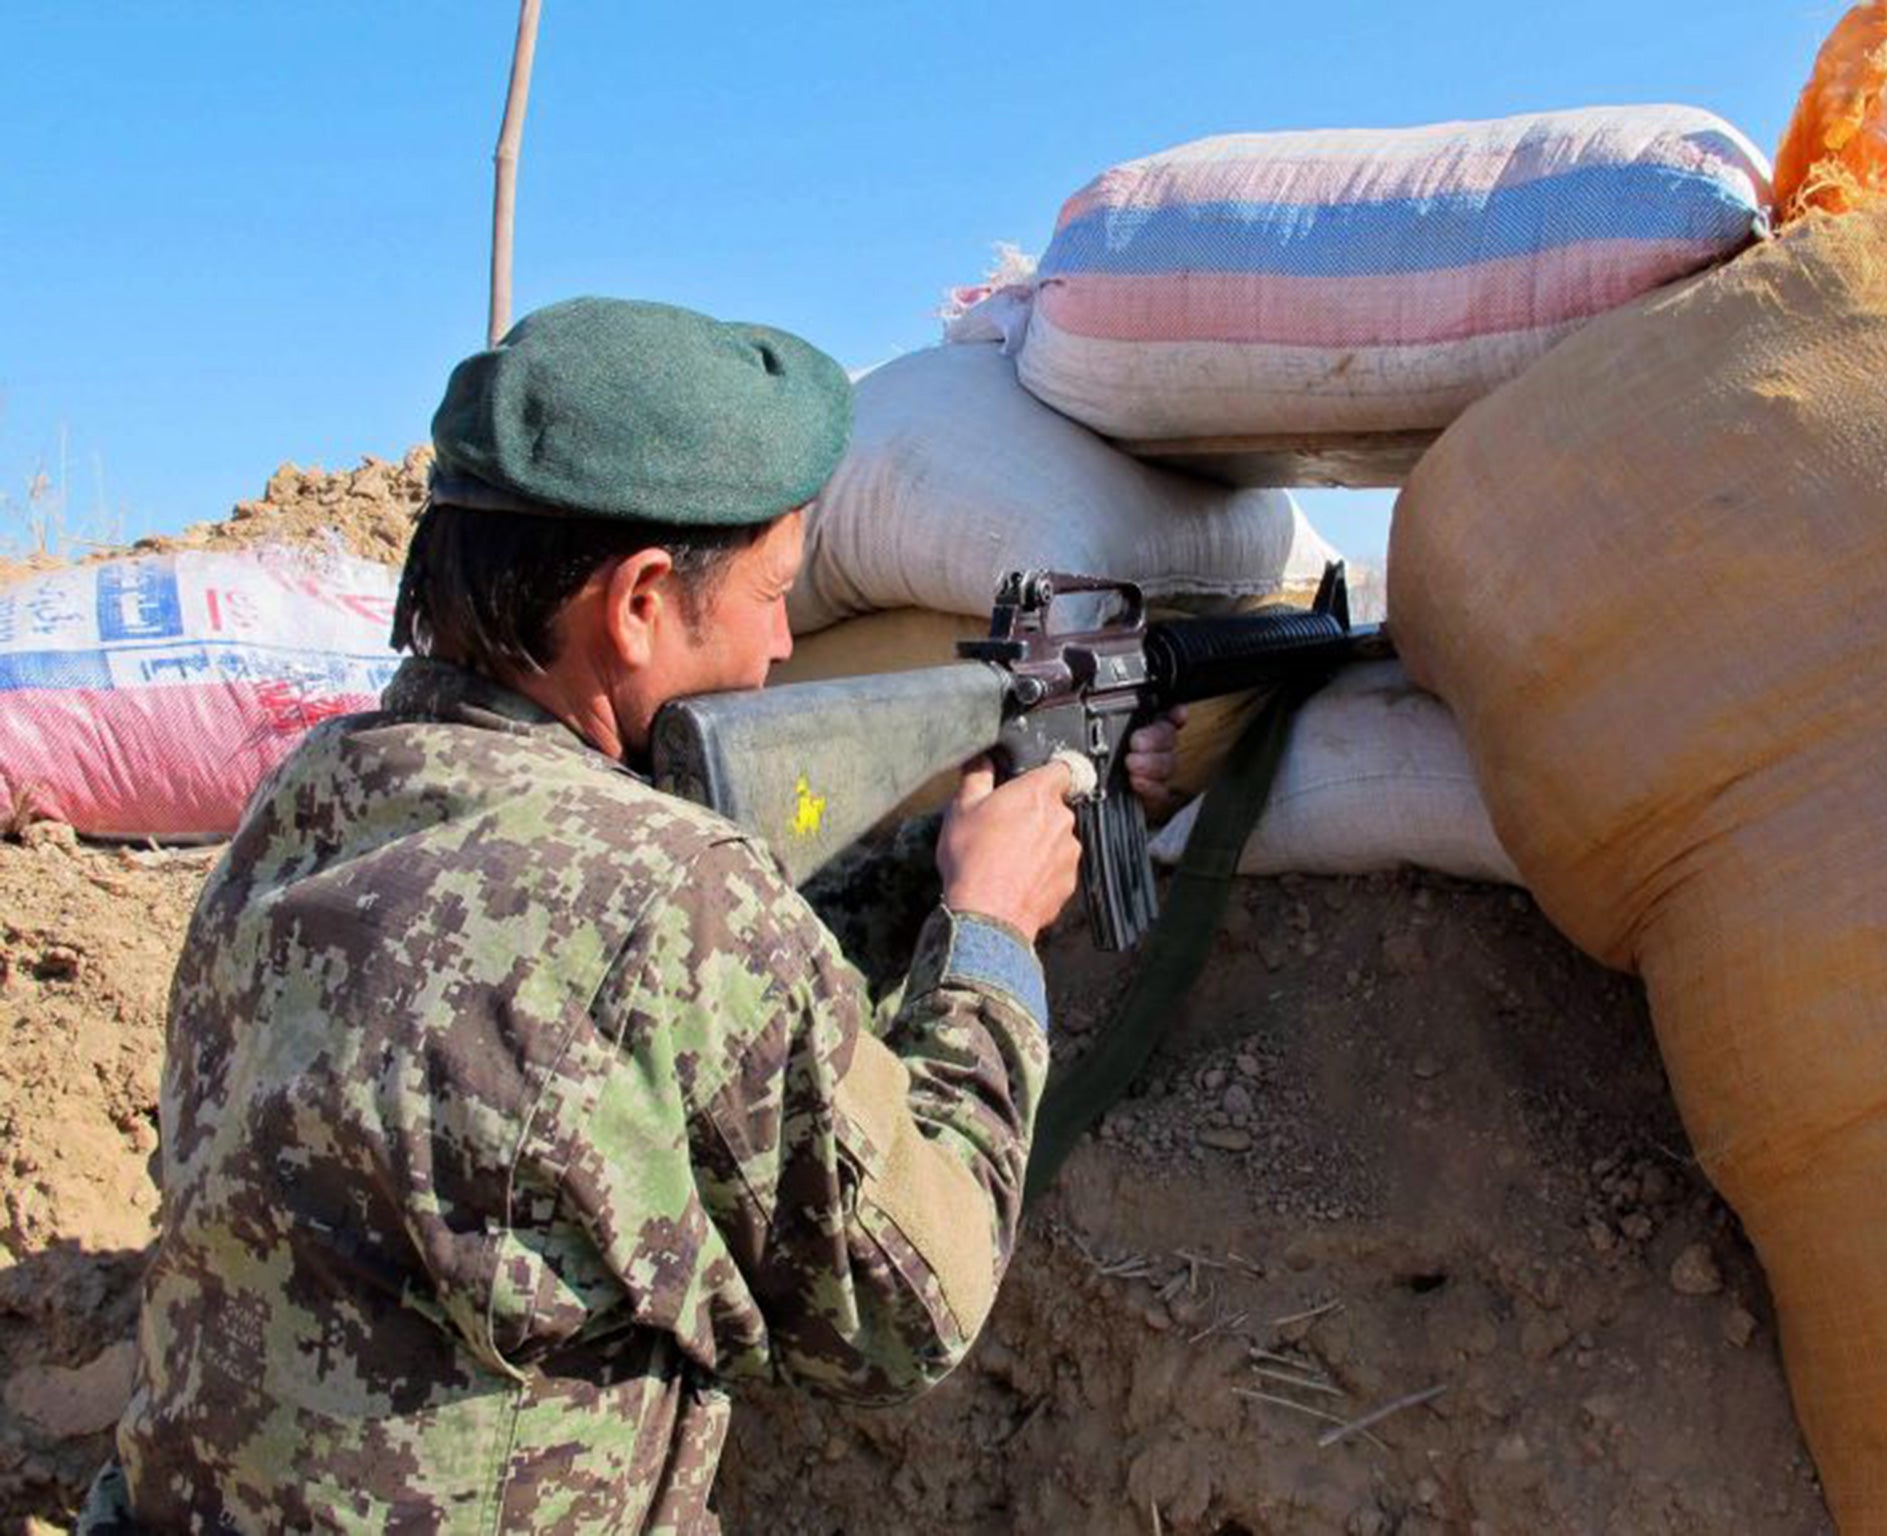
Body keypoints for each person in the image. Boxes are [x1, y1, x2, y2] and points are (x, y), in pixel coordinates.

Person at [79, 297, 1182, 1532]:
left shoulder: (308, 799)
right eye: (773, 592)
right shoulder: (668, 893)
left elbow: (619, 991)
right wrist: (988, 937)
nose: (779, 646)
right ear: (640, 601)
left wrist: (934, 859)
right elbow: (910, 1309)